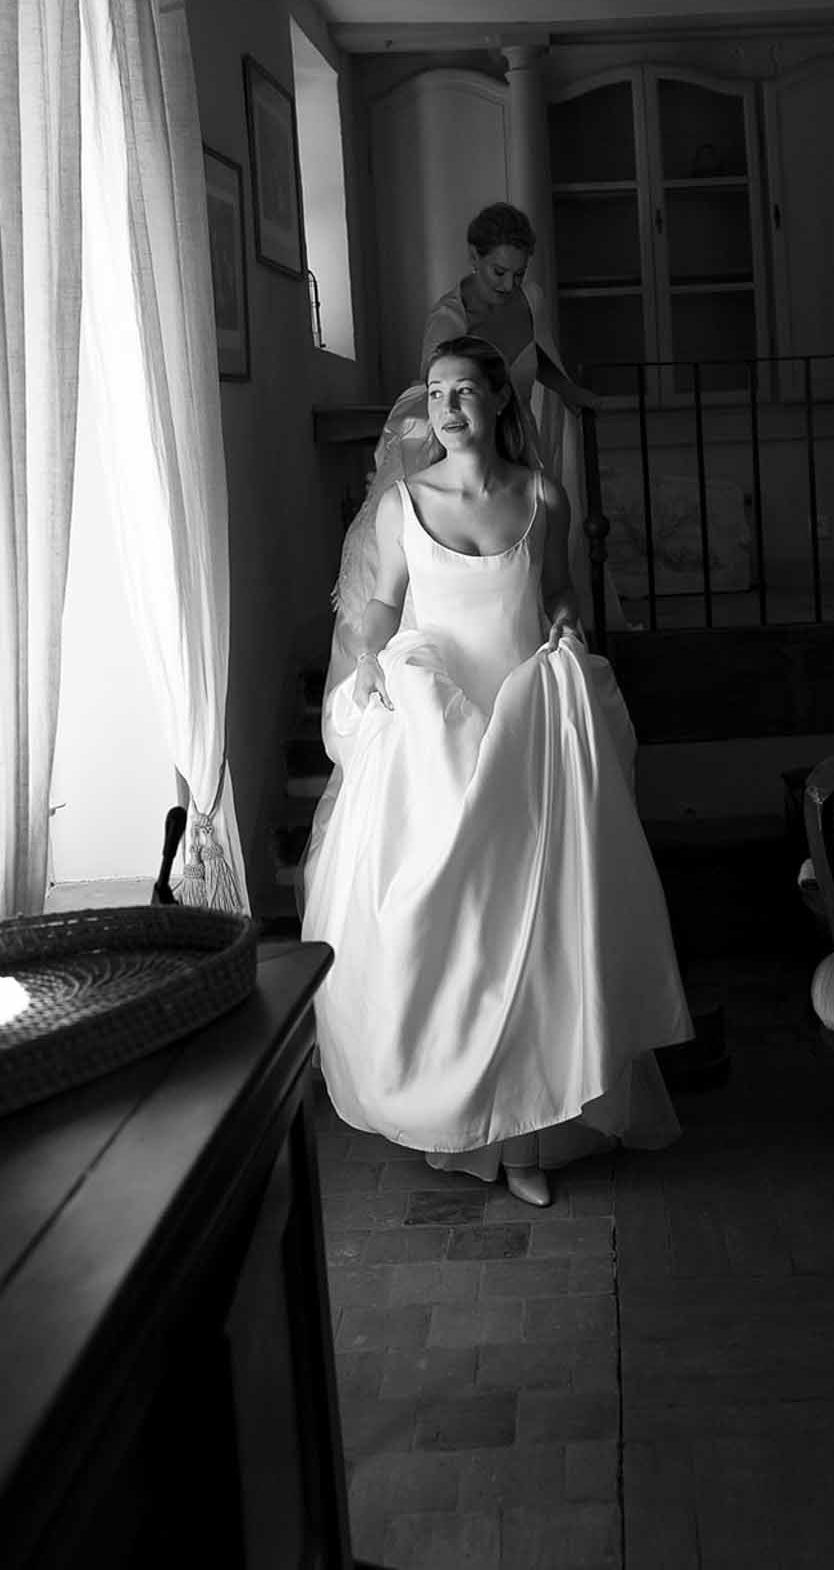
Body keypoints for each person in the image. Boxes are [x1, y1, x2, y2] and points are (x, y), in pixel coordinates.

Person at [301, 336, 691, 1206]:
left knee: (538, 925)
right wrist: (367, 659)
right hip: (440, 735)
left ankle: (525, 1143)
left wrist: (565, 627)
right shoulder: (406, 504)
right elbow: (380, 605)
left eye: (466, 391)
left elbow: (555, 591)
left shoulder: (540, 495)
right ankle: (455, 1109)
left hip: (525, 731)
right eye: (437, 391)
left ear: (497, 405)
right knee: (457, 925)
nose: (448, 407)